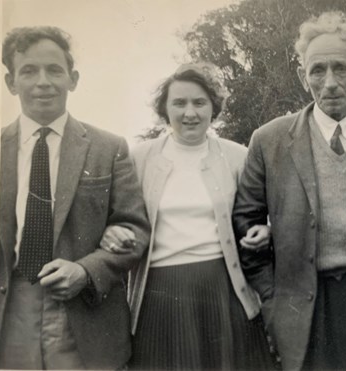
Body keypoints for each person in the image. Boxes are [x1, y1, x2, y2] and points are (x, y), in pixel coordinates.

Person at [233, 12, 346, 371]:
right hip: (304, 309)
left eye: (341, 69)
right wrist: (273, 299)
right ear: (304, 78)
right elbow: (245, 224)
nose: (330, 82)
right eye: (317, 71)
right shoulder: (269, 140)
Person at [100, 62, 274, 370]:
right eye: (179, 103)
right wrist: (111, 232)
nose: (189, 112)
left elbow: (258, 213)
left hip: (223, 291)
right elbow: (117, 216)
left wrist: (264, 230)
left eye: (199, 102)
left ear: (213, 108)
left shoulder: (238, 156)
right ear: (165, 109)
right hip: (159, 293)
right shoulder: (139, 158)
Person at [0, 26, 150, 369]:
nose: (43, 82)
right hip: (8, 315)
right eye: (28, 71)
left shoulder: (108, 148)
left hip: (84, 315)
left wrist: (85, 271)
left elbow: (135, 229)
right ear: (10, 83)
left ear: (73, 78)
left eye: (54, 70)